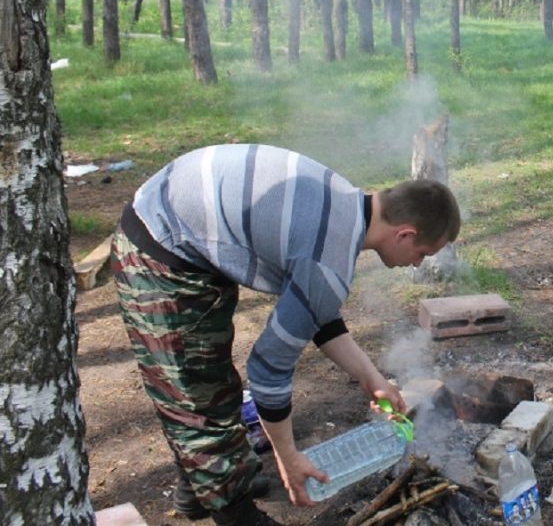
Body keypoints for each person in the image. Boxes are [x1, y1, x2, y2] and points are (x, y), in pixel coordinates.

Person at [109, 144, 462, 526]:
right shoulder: (328, 261)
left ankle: (199, 492)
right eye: (424, 252)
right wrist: (288, 457)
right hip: (161, 246)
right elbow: (267, 368)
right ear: (405, 233)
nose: (418, 262)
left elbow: (316, 312)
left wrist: (370, 378)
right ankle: (236, 514)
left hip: (187, 225)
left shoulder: (346, 202)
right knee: (195, 392)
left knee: (207, 380)